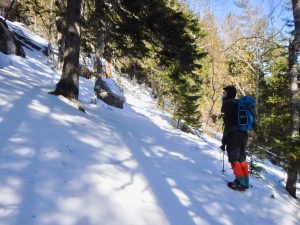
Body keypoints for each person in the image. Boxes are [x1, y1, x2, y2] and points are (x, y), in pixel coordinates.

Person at [221, 85, 249, 191]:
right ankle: (245, 182)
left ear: (228, 94)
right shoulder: (238, 103)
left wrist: (224, 140)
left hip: (234, 134)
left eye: (225, 92)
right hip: (244, 133)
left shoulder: (227, 104)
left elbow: (228, 124)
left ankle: (240, 183)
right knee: (241, 158)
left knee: (233, 158)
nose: (223, 94)